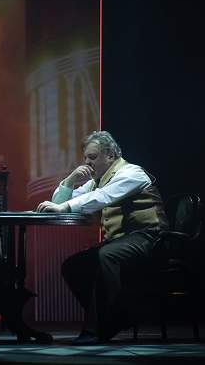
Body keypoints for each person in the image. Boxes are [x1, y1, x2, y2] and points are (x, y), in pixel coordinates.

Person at [35, 130, 168, 345]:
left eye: (93, 157)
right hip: (120, 240)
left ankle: (97, 329)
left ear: (110, 155)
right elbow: (59, 202)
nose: (87, 163)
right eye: (86, 158)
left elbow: (102, 197)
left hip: (148, 237)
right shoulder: (97, 181)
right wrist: (70, 180)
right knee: (73, 266)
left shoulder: (132, 173)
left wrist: (64, 207)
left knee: (106, 256)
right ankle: (115, 317)